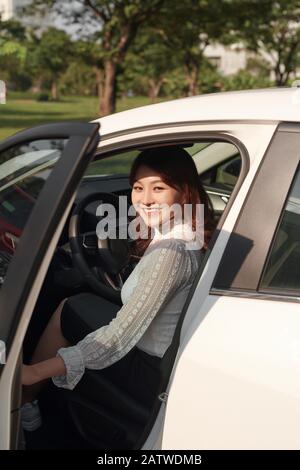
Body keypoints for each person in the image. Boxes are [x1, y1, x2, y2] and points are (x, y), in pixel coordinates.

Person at [21, 146, 215, 430]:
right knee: (76, 304)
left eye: (158, 188)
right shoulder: (184, 232)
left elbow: (120, 337)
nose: (145, 200)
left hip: (148, 369)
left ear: (183, 192)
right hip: (158, 353)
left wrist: (32, 372)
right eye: (138, 188)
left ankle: (22, 403)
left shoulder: (171, 252)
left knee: (69, 308)